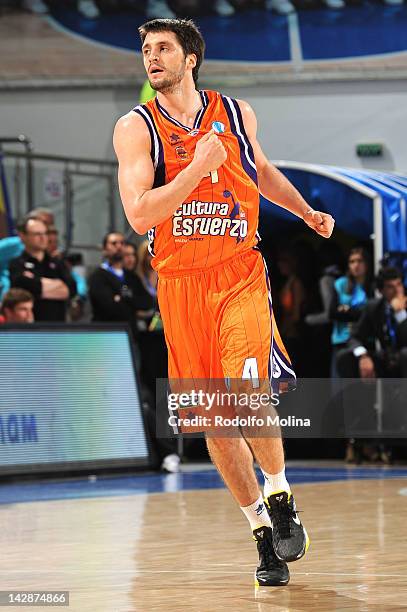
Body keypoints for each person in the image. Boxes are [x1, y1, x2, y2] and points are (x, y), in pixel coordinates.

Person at [113, 18, 334, 587]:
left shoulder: (236, 113)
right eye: (145, 49)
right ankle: (262, 532)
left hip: (238, 271)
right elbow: (140, 216)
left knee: (245, 388)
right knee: (216, 424)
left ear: (191, 58)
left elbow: (259, 171)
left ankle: (281, 494)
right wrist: (195, 169)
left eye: (163, 48)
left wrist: (305, 212)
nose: (151, 57)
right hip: (180, 284)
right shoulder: (135, 128)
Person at [9, 216, 76, 321]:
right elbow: (23, 287)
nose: (43, 238)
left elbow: (71, 289)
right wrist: (58, 285)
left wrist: (38, 285)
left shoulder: (57, 263)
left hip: (58, 327)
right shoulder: (17, 264)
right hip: (29, 329)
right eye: (37, 234)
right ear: (22, 236)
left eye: (45, 233)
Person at [88, 231, 155, 336]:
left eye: (122, 243)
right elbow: (109, 307)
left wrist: (123, 298)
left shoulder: (131, 276)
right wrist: (133, 304)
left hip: (130, 334)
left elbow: (147, 302)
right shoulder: (98, 276)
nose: (119, 246)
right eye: (114, 243)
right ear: (105, 249)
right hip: (105, 334)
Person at [329, 247, 373, 378]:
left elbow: (371, 314)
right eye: (352, 261)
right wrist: (359, 313)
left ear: (367, 263)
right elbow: (332, 313)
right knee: (340, 388)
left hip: (366, 341)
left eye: (360, 261)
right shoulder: (341, 284)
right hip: (342, 340)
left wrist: (348, 310)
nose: (356, 265)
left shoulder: (373, 285)